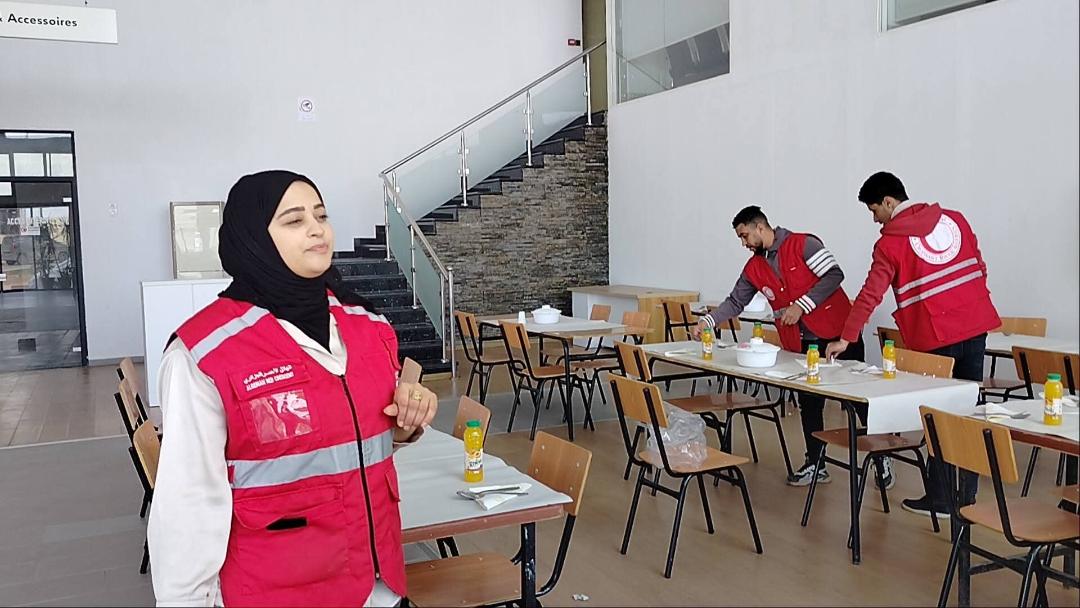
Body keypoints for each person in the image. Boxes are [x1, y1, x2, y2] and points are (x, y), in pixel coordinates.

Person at [148, 170, 438, 607]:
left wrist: (409, 419)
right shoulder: (206, 354)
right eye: (294, 220)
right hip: (277, 592)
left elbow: (351, 437)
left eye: (321, 215)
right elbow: (187, 506)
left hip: (378, 586)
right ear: (253, 238)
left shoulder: (368, 326)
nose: (317, 228)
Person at [826, 171, 1000, 517]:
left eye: (874, 210)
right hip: (975, 325)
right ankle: (967, 496)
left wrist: (847, 336)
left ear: (889, 202)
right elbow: (979, 266)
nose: (875, 219)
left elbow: (871, 294)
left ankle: (940, 498)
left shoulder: (890, 244)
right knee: (968, 410)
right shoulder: (955, 220)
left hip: (936, 335)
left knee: (937, 416)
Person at [692, 205, 884, 487]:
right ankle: (816, 462)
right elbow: (735, 302)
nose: (744, 244)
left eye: (745, 236)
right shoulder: (755, 267)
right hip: (801, 342)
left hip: (838, 334)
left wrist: (801, 305)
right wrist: (707, 322)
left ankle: (882, 456)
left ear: (760, 227)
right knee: (809, 403)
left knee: (859, 402)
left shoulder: (804, 244)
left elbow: (834, 275)